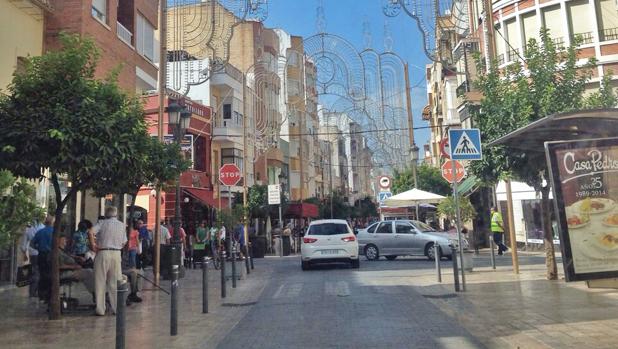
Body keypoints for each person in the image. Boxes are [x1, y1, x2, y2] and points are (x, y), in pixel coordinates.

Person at [92, 206, 127, 316]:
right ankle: (117, 308)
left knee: (100, 281)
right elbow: (124, 242)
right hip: (116, 253)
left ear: (106, 214)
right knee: (115, 282)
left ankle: (100, 309)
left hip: (103, 252)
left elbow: (90, 232)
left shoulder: (102, 223)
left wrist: (93, 245)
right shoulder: (122, 225)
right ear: (116, 214)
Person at [31, 215, 55, 302]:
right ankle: (50, 293)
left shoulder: (40, 232)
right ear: (52, 222)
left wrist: (39, 248)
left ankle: (42, 294)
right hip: (51, 255)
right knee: (51, 274)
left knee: (42, 273)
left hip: (41, 255)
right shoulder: (54, 232)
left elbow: (32, 243)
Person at [20, 220, 44, 297]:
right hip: (43, 253)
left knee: (35, 272)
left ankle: (32, 292)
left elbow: (23, 245)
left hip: (33, 254)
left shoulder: (28, 229)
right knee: (41, 272)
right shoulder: (43, 227)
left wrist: (25, 254)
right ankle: (38, 292)